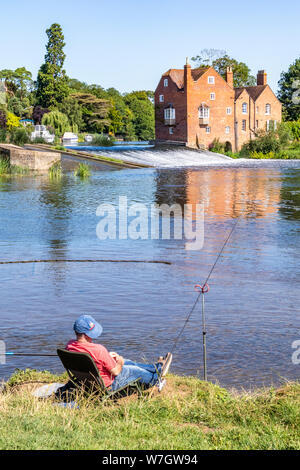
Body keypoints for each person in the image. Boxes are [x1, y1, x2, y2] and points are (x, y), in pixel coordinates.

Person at [66, 315, 173, 392]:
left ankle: (156, 368)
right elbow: (116, 372)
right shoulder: (99, 349)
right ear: (87, 335)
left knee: (128, 362)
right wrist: (120, 361)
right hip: (107, 384)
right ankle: (156, 379)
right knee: (133, 370)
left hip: (87, 381)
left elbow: (91, 356)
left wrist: (106, 356)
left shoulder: (70, 346)